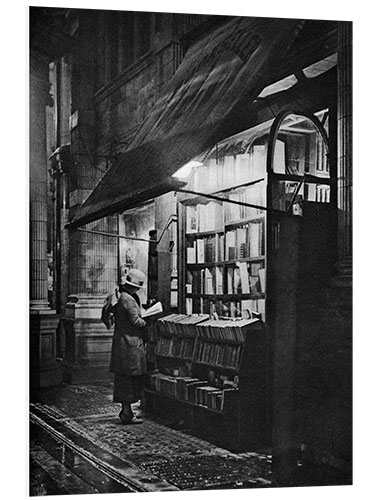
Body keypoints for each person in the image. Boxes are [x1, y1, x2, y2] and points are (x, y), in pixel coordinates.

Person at [110, 269, 148, 425]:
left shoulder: (122, 296)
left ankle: (126, 411)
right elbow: (135, 321)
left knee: (124, 379)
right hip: (130, 345)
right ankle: (127, 413)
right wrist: (148, 320)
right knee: (129, 380)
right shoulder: (129, 299)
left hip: (122, 344)